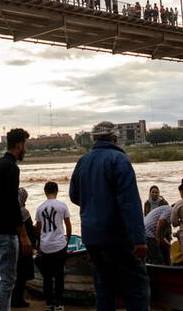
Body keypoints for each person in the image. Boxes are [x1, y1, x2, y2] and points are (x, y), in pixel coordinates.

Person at [69, 128, 149, 311]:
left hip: (91, 237)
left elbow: (74, 195)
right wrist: (139, 239)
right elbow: (129, 203)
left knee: (104, 285)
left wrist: (93, 206)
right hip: (116, 236)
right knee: (136, 285)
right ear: (114, 139)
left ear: (94, 140)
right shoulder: (119, 159)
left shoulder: (83, 161)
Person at [0, 128, 32, 311]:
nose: (25, 150)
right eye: (25, 145)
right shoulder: (11, 167)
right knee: (8, 279)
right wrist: (23, 234)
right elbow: (13, 203)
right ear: (19, 144)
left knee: (2, 275)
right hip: (6, 232)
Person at [35, 181, 72, 311]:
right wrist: (67, 239)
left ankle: (49, 303)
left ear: (45, 192)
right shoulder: (62, 206)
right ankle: (59, 303)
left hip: (45, 246)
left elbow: (38, 230)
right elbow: (68, 225)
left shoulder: (40, 208)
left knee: (47, 276)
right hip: (59, 245)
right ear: (57, 191)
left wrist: (39, 245)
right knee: (59, 275)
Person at [12, 188, 37, 308]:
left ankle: (13, 298)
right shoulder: (23, 212)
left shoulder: (9, 211)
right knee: (22, 275)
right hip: (24, 248)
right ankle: (18, 300)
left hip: (13, 246)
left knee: (14, 275)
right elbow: (29, 230)